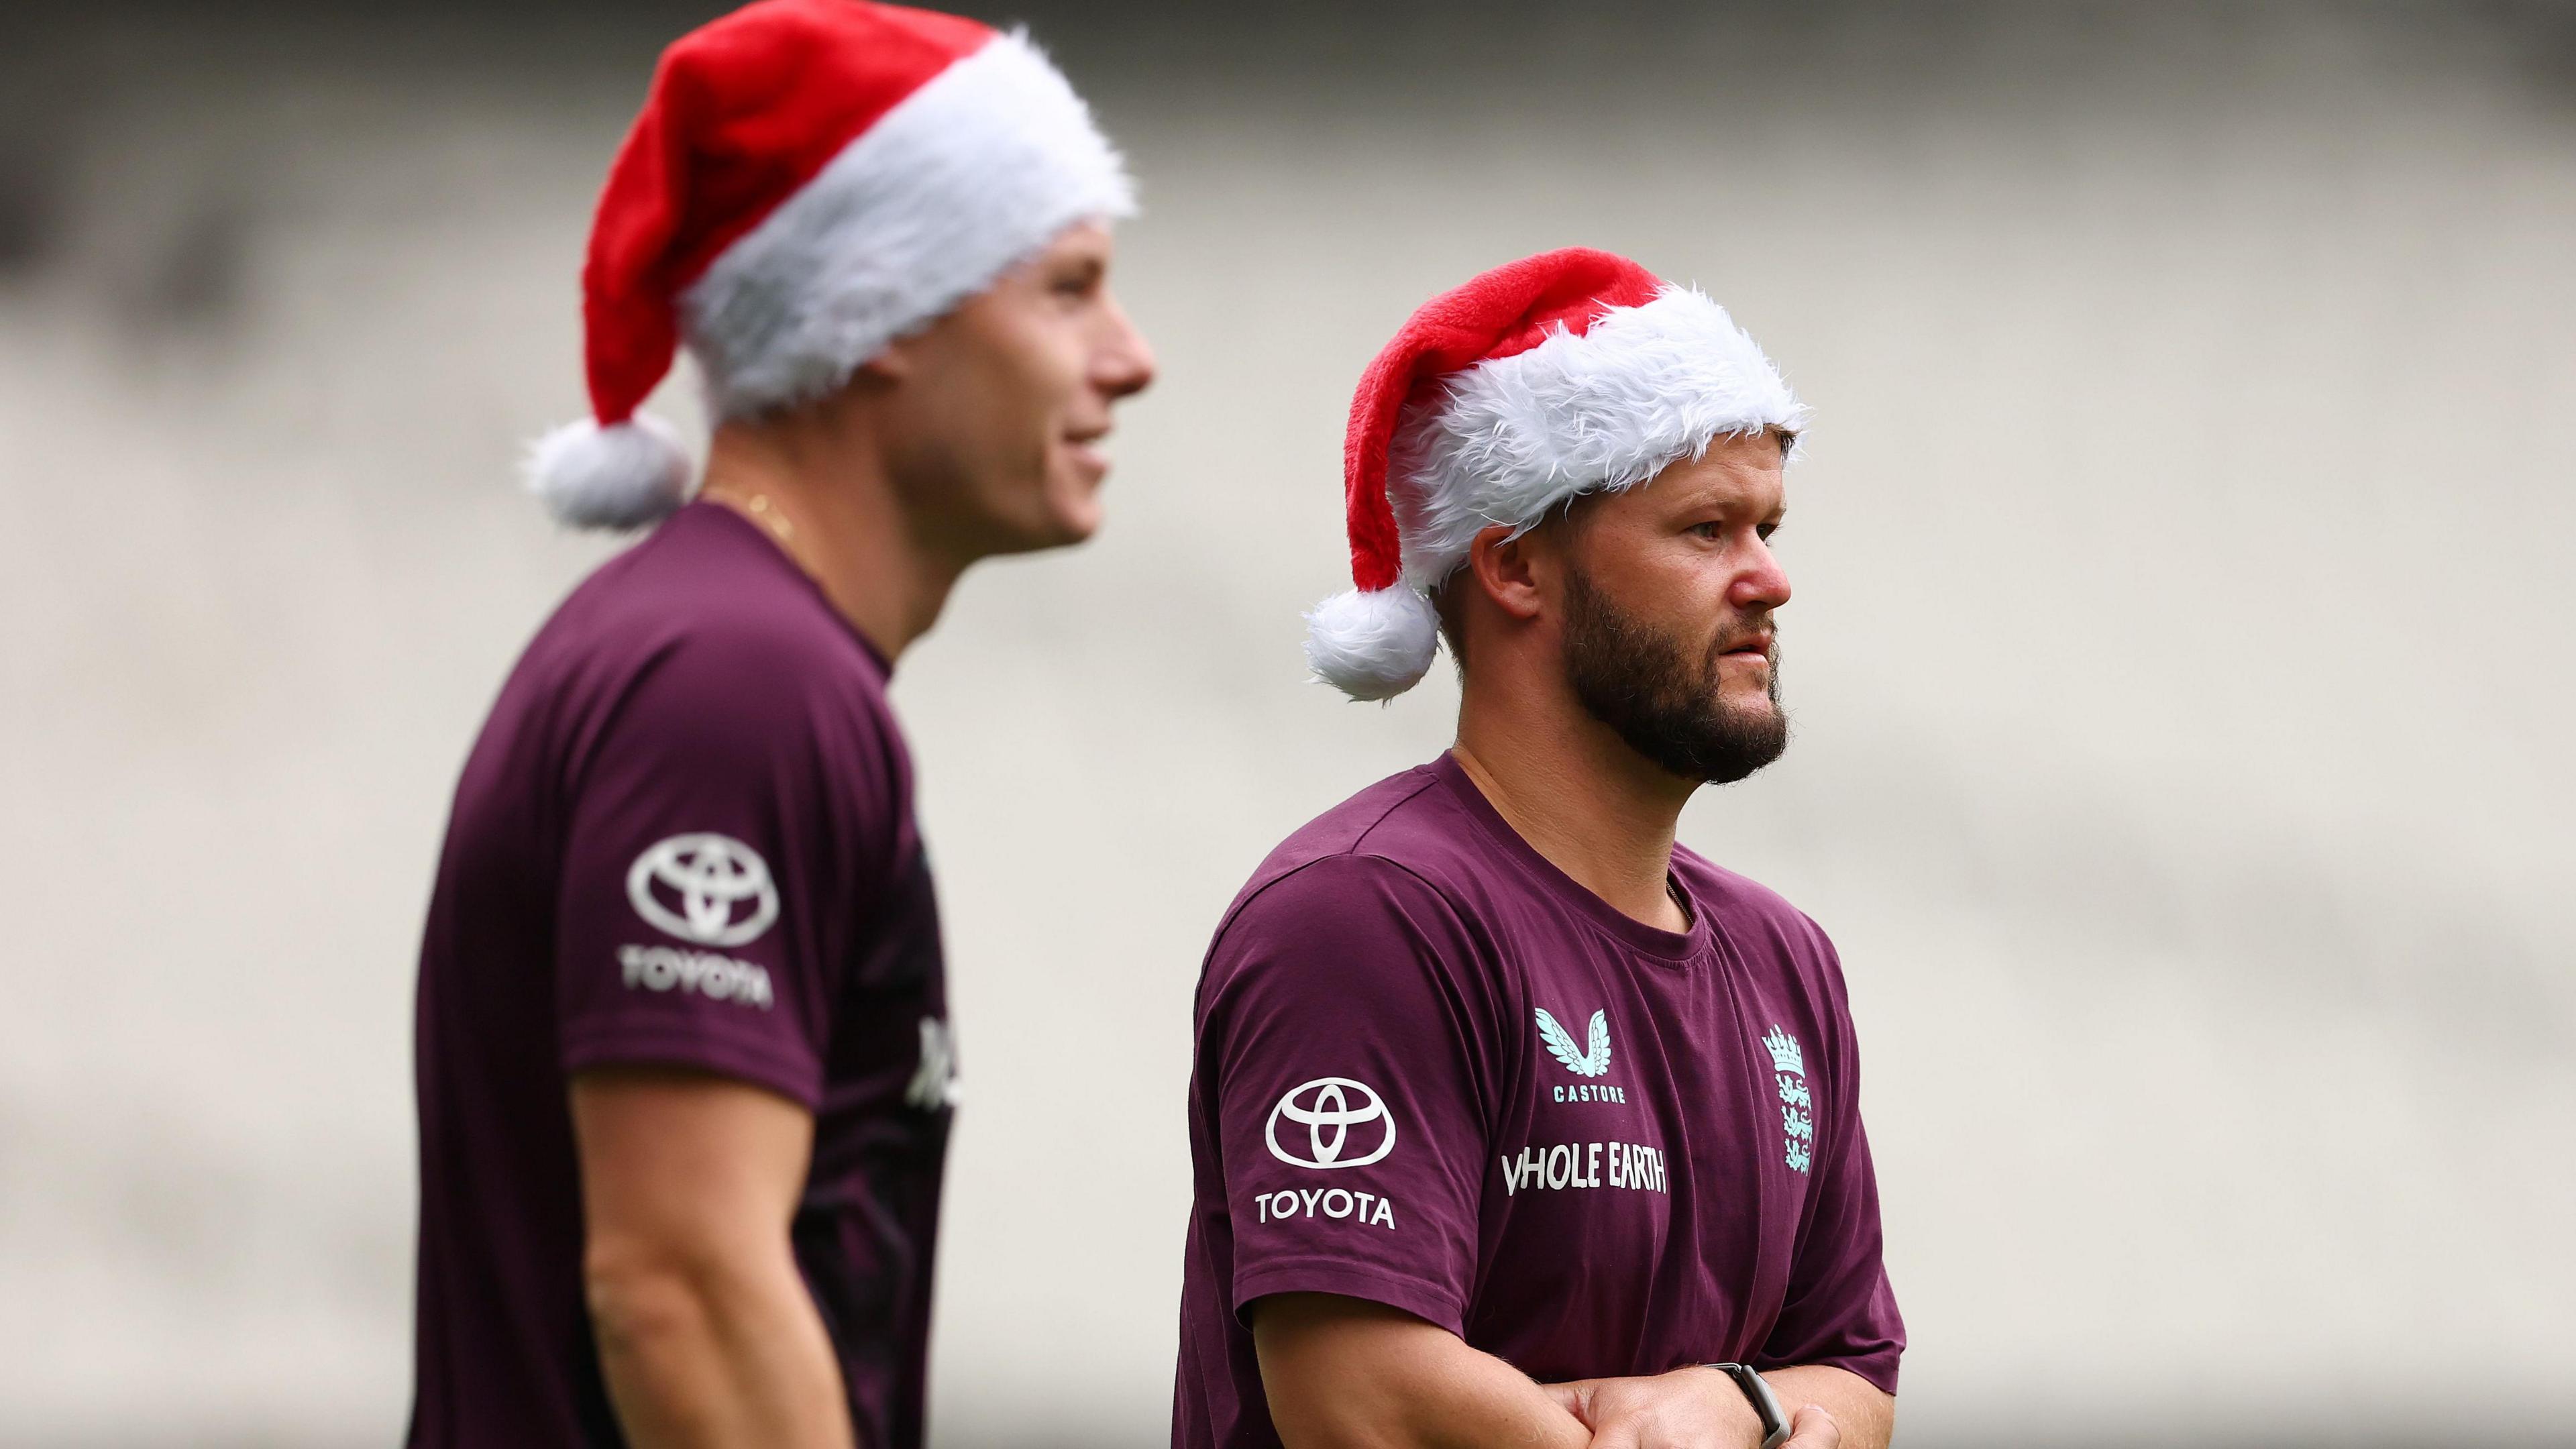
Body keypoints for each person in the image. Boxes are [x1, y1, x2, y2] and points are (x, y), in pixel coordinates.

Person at [405, 4, 1152, 1446]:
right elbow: (681, 1284)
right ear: (874, 309)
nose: (1130, 357)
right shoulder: (738, 686)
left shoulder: (723, 652)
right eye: (1069, 289)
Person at [1171, 249, 1901, 1449]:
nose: (1770, 579)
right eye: (1706, 528)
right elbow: (1364, 1408)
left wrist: (1729, 1404)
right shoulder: (1367, 919)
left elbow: (1855, 1377)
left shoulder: (1788, 961)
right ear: (1514, 566)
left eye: (1766, 526)